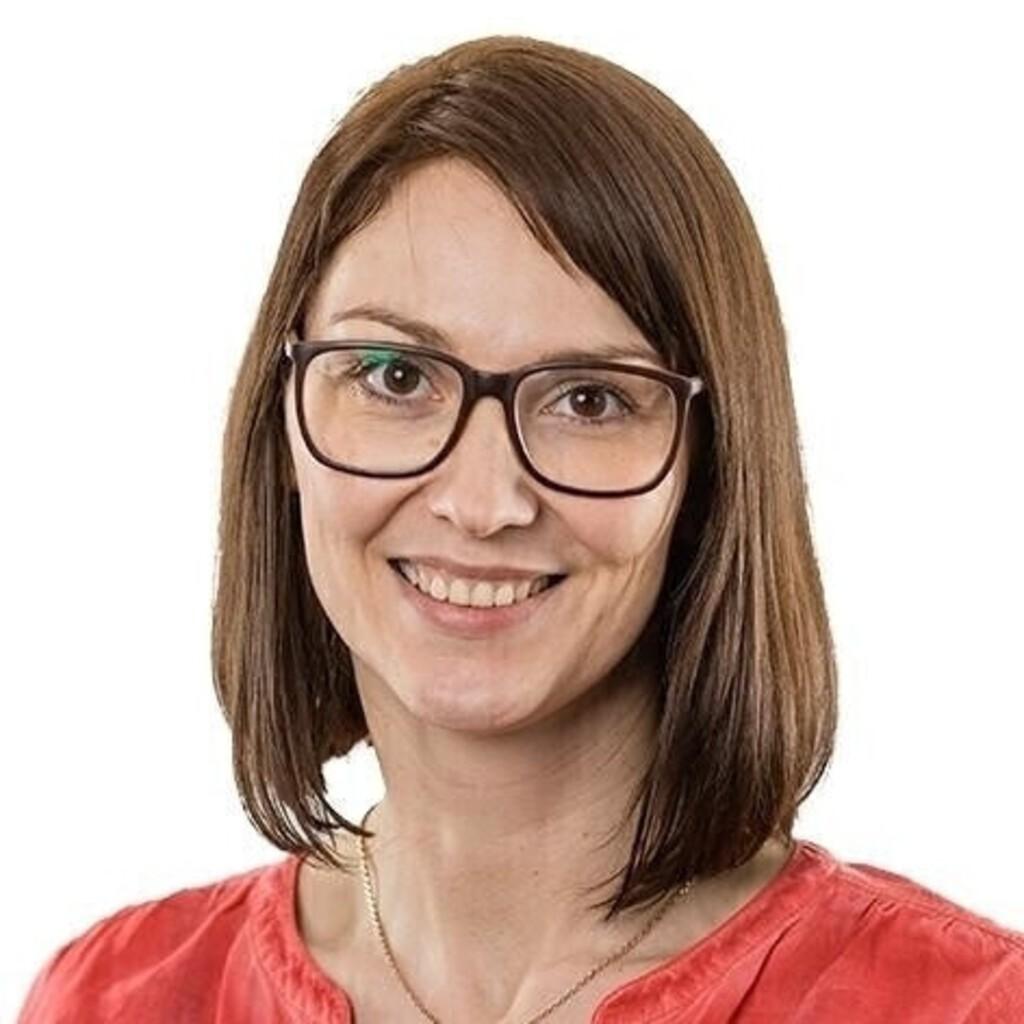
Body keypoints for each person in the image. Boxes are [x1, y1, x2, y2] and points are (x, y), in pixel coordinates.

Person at [18, 34, 1023, 1024]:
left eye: (589, 399)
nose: (483, 501)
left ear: (712, 467)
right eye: (395, 376)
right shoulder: (111, 1000)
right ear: (282, 423)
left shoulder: (962, 1006)